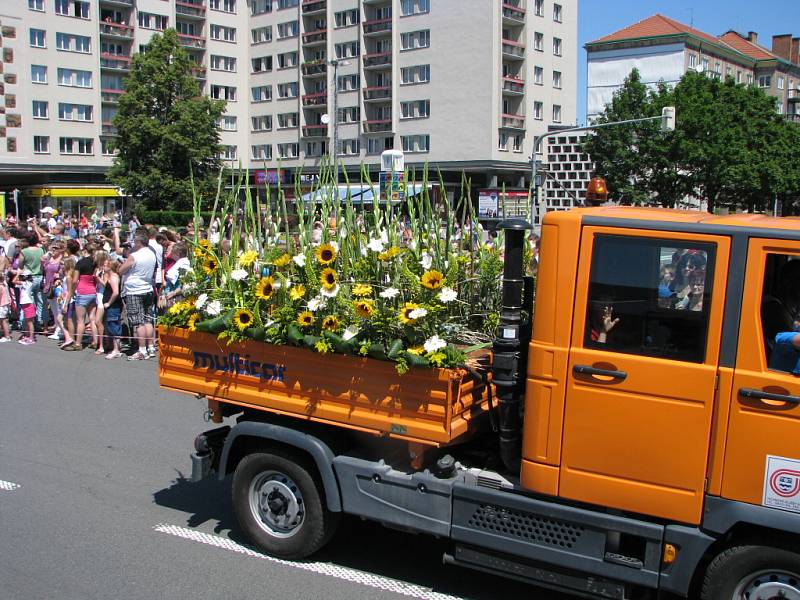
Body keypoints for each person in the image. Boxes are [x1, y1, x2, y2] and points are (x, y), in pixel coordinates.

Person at [119, 232, 157, 360]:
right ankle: (150, 346)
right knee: (147, 318)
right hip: (147, 288)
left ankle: (142, 350)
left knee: (138, 321)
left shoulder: (134, 256)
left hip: (135, 289)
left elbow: (121, 270)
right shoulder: (152, 254)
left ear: (139, 243)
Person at [63, 246, 98, 351]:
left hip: (82, 292)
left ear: (85, 251)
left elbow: (75, 281)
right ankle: (95, 341)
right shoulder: (94, 263)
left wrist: (72, 290)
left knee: (80, 320)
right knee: (92, 318)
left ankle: (78, 343)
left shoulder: (80, 263)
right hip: (93, 291)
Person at [100, 257, 123, 359]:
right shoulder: (111, 276)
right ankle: (116, 348)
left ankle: (116, 350)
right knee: (111, 325)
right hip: (111, 306)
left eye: (105, 265)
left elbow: (116, 292)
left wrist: (109, 303)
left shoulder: (113, 277)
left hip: (113, 306)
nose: (103, 267)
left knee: (113, 326)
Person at [13, 268, 36, 345]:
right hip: (24, 304)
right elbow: (14, 283)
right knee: (26, 321)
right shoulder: (24, 283)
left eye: (22, 276)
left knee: (29, 322)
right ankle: (27, 335)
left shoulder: (27, 283)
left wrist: (18, 273)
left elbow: (14, 281)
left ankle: (31, 338)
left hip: (28, 304)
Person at [0, 254, 12, 342]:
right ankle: (5, 334)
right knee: (3, 320)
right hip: (5, 305)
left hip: (2, 306)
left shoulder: (1, 286)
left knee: (4, 320)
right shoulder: (4, 285)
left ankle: (7, 336)